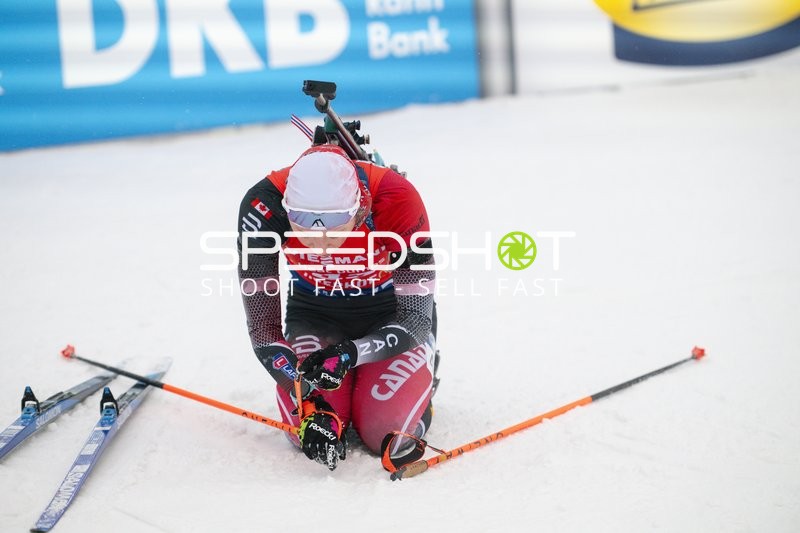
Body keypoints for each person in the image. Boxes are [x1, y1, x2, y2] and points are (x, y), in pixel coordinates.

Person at [237, 143, 438, 470]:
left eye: (335, 224)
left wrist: (350, 354)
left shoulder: (396, 196)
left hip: (389, 316)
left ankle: (424, 362)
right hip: (315, 316)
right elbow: (263, 332)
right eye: (302, 222)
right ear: (287, 206)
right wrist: (311, 406)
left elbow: (415, 320)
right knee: (316, 427)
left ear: (360, 209)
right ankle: (340, 391)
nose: (321, 241)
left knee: (383, 434)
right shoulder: (264, 206)